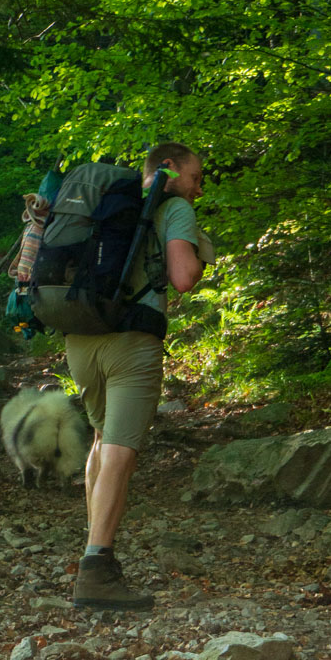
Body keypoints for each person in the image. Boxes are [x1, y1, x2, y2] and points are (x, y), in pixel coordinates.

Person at [70, 141, 208, 611]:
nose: (197, 189)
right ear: (169, 169)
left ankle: (96, 554)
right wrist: (201, 256)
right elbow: (184, 277)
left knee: (102, 438)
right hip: (133, 339)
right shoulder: (172, 208)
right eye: (195, 177)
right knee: (121, 450)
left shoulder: (104, 204)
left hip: (81, 336)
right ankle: (96, 567)